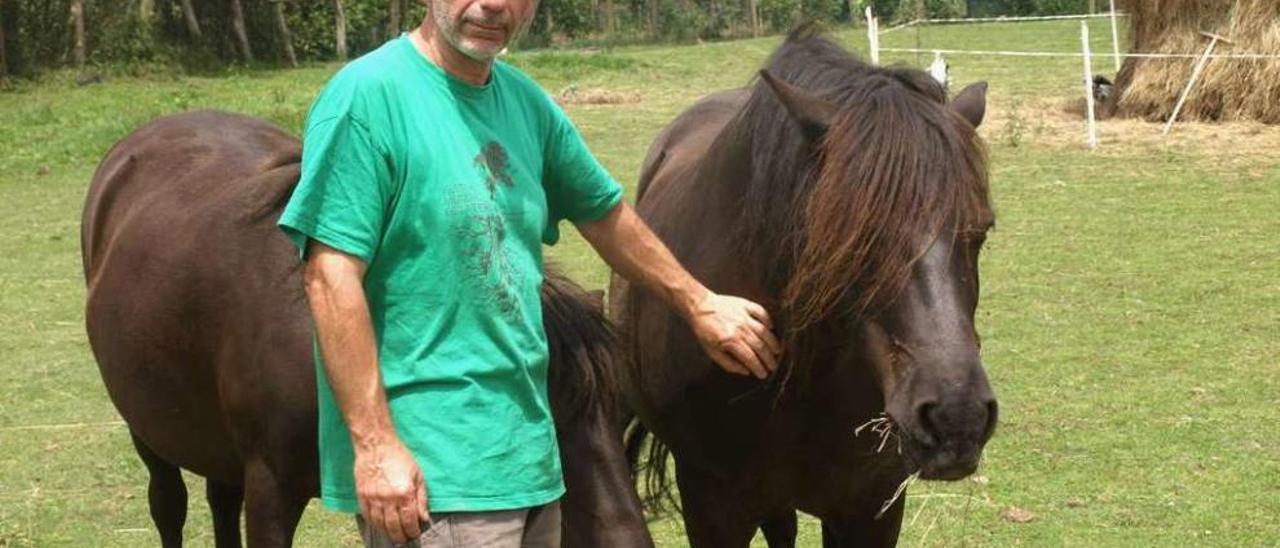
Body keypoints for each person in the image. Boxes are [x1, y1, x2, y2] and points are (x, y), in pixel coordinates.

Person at [277, 0, 781, 544]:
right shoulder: (368, 98)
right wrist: (375, 446)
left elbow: (603, 213)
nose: (493, 5)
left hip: (528, 455)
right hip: (433, 470)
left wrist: (699, 302)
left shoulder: (524, 103)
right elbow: (329, 278)